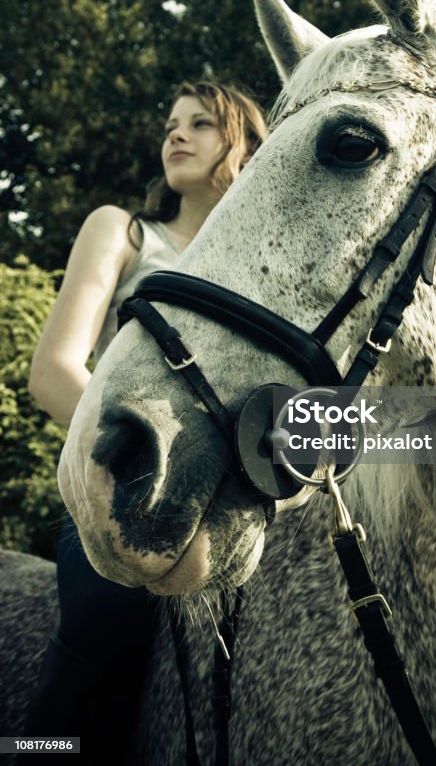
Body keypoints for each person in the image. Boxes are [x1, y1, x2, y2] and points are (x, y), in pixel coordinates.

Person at [24, 80, 267, 762]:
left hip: (233, 502)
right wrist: (143, 460)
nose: (175, 135)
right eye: (170, 123)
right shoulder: (125, 231)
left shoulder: (266, 269)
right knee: (107, 617)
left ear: (246, 148)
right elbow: (53, 372)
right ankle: (35, 752)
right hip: (120, 489)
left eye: (200, 124)